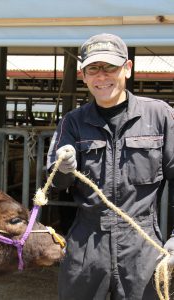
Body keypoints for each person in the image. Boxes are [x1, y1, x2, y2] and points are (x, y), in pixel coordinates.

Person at [47, 33, 174, 299]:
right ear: (83, 74)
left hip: (141, 244)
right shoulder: (72, 122)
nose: (102, 77)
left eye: (110, 68)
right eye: (93, 69)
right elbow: (54, 186)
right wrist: (63, 169)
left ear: (127, 68)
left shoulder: (160, 115)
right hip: (87, 243)